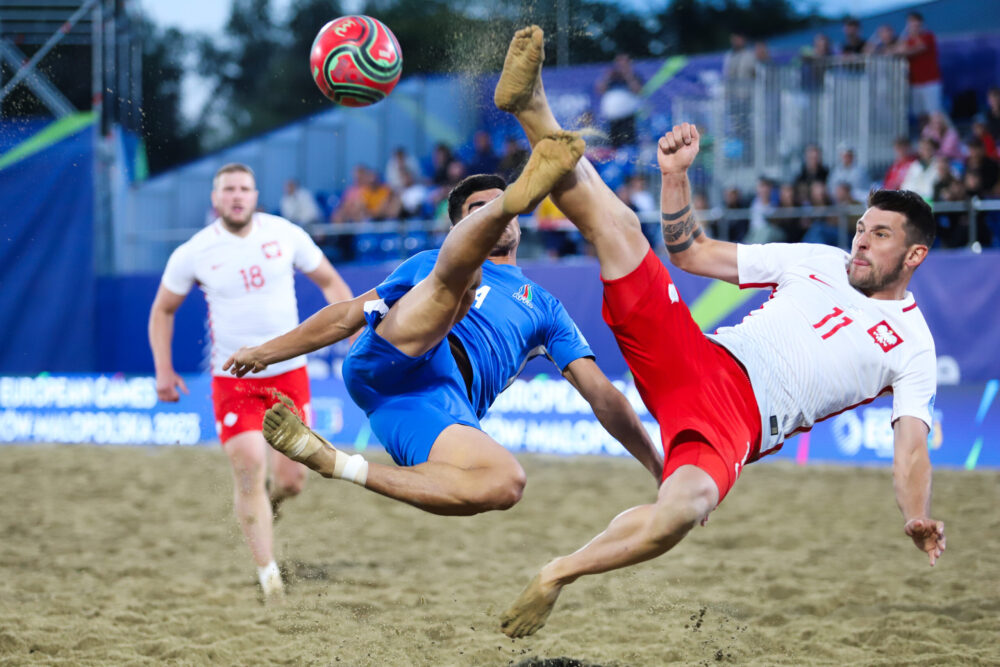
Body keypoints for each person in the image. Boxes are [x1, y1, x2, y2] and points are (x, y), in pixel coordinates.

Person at [488, 26, 945, 639]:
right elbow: (692, 251)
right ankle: (532, 106)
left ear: (915, 256)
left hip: (738, 424)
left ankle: (556, 574)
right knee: (621, 227)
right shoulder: (816, 257)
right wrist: (675, 177)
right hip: (699, 358)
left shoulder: (914, 345)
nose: (861, 238)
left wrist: (916, 514)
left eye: (880, 234)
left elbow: (911, 448)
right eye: (862, 226)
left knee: (682, 512)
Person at [223, 139, 662, 519]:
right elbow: (344, 316)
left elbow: (602, 395)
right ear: (458, 226)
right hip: (395, 353)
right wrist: (264, 352)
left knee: (505, 484)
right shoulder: (429, 262)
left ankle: (337, 463)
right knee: (458, 281)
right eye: (481, 210)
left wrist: (659, 469)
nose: (496, 215)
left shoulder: (545, 307)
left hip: (433, 406)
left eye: (502, 206)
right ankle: (481, 239)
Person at [148, 163, 354, 599]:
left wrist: (351, 332)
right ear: (215, 198)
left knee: (293, 480)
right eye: (228, 189)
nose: (237, 196)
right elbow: (162, 309)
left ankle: (271, 504)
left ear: (256, 195)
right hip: (233, 380)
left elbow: (333, 283)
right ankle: (270, 580)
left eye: (244, 188)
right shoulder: (195, 251)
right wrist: (163, 370)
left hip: (289, 375)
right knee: (248, 468)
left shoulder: (285, 234)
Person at [895, 12, 941, 117]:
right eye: (910, 22)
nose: (913, 25)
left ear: (921, 23)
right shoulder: (907, 40)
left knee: (934, 114)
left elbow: (919, 48)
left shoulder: (928, 36)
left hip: (930, 82)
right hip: (915, 83)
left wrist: (914, 35)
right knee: (920, 115)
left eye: (915, 21)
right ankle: (924, 133)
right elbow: (898, 51)